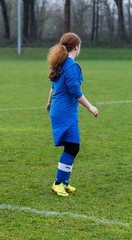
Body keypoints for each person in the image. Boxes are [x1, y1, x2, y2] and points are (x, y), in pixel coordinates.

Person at [46, 32, 99, 197]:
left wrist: (48, 102)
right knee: (73, 147)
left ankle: (64, 182)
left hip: (59, 110)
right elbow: (75, 91)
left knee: (72, 147)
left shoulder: (61, 63)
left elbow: (54, 86)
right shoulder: (71, 66)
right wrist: (90, 107)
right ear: (77, 47)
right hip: (65, 112)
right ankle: (58, 183)